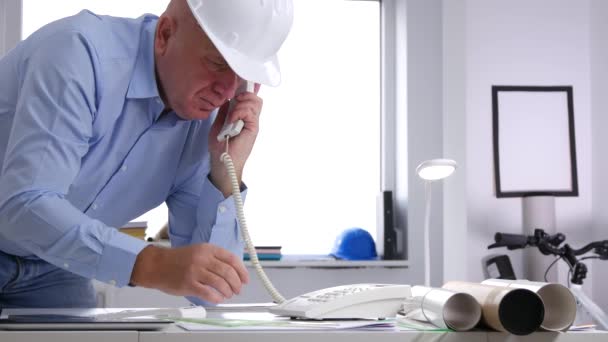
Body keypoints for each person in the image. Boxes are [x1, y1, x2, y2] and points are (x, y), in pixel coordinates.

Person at [0, 0, 293, 308]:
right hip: (44, 247)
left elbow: (206, 291)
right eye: (219, 65)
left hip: (53, 265)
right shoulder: (78, 54)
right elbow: (24, 206)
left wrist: (225, 170)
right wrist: (151, 265)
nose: (227, 92)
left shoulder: (205, 122)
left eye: (244, 76)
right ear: (165, 34)